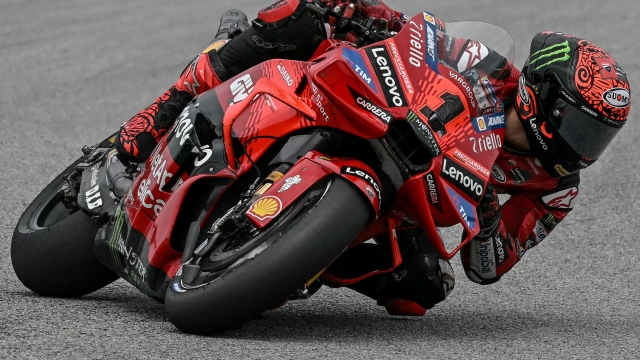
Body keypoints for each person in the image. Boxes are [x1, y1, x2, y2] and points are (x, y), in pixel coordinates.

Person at [114, 0, 632, 316]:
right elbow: (424, 43)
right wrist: (372, 18)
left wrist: (491, 217)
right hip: (374, 114)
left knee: (422, 289)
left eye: (599, 136)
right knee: (302, 15)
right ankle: (157, 117)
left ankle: (288, 258)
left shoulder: (556, 190)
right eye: (582, 126)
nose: (585, 148)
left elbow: (489, 267)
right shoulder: (490, 69)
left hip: (413, 199)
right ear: (542, 94)